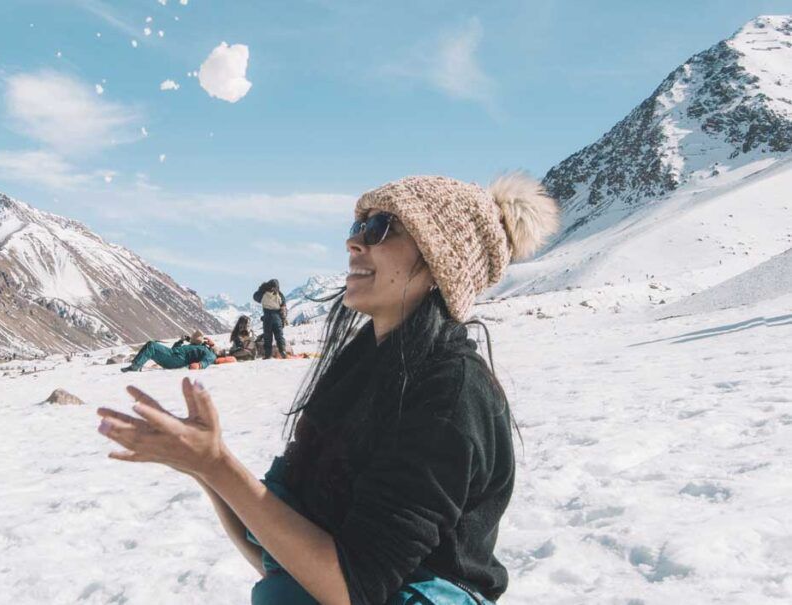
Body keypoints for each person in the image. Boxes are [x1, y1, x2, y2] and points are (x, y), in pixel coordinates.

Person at [96, 173, 559, 604]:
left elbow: (351, 587)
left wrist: (216, 466)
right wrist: (200, 465)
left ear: (442, 261)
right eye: (359, 224)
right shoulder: (367, 370)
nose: (354, 241)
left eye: (382, 227)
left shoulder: (448, 395)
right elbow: (287, 565)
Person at [121, 331, 217, 372]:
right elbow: (174, 349)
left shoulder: (206, 350)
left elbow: (211, 358)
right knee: (151, 347)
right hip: (173, 356)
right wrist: (180, 341)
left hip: (177, 360)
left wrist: (200, 365)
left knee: (151, 345)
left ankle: (134, 367)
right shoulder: (193, 346)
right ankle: (136, 365)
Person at [253, 279, 288, 359]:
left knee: (267, 336)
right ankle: (283, 352)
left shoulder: (263, 294)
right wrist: (283, 319)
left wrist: (262, 288)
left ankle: (268, 355)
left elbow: (255, 296)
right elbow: (283, 308)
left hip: (267, 317)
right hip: (277, 317)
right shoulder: (280, 295)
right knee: (279, 336)